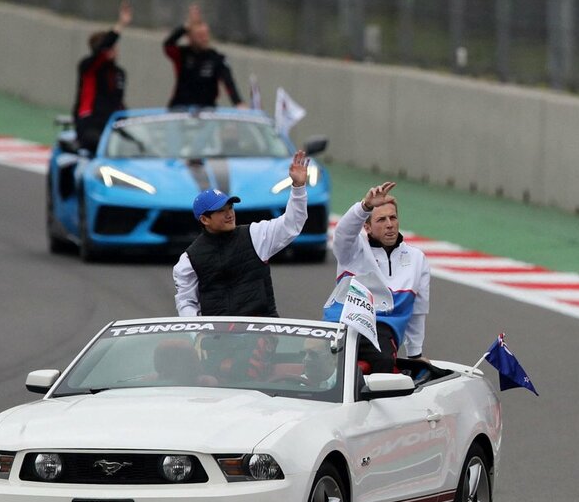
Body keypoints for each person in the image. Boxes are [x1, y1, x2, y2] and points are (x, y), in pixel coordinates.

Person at [173, 150, 310, 317]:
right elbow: (186, 303)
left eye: (230, 208)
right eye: (221, 211)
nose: (229, 214)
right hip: (216, 339)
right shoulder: (188, 260)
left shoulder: (255, 235)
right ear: (204, 219)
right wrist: (198, 334)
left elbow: (292, 223)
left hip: (262, 337)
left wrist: (298, 187)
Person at [323, 182, 431, 372]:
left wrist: (415, 354)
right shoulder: (352, 250)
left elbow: (418, 310)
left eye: (393, 218)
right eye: (381, 220)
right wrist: (365, 206)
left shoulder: (416, 258)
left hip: (381, 330)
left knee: (383, 362)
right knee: (319, 363)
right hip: (342, 324)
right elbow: (342, 233)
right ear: (367, 227)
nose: (389, 224)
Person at [72, 0, 132, 151]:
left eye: (114, 48)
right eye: (110, 48)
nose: (114, 50)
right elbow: (103, 49)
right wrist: (121, 25)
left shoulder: (120, 73)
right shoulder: (88, 67)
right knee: (101, 144)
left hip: (112, 123)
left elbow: (119, 102)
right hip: (90, 124)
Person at [163, 4, 245, 108]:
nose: (204, 38)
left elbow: (228, 82)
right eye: (199, 35)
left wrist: (238, 103)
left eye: (205, 35)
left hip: (207, 110)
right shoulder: (182, 54)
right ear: (190, 38)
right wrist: (185, 27)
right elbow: (168, 45)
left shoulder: (217, 58)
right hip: (180, 108)